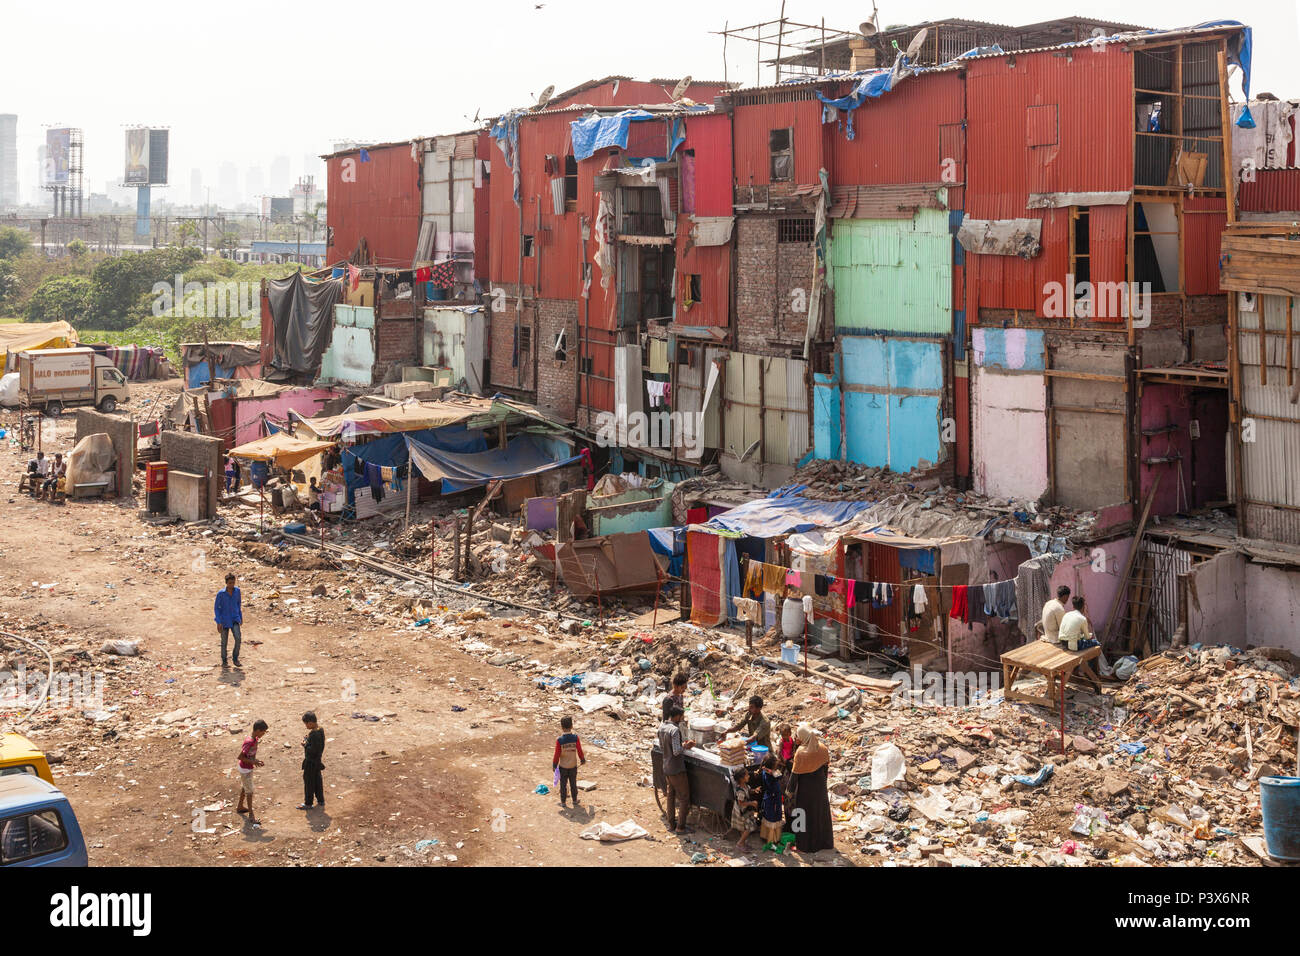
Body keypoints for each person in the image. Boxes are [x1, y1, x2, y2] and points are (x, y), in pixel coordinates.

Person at [789, 723, 834, 853]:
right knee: (820, 813)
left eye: (797, 736)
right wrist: (823, 785)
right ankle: (824, 842)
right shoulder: (822, 748)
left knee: (802, 815)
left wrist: (789, 792)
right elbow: (825, 768)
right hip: (819, 786)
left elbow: (795, 774)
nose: (796, 738)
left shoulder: (801, 752)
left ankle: (803, 845)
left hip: (805, 789)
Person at [658, 704, 696, 833]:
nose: (682, 719)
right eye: (682, 716)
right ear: (678, 716)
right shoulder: (674, 730)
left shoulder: (662, 727)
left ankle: (671, 824)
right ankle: (680, 827)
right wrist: (687, 745)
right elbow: (676, 751)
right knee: (684, 798)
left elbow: (663, 747)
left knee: (670, 796)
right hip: (676, 768)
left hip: (666, 766)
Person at [235, 719, 268, 825]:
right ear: (258, 730)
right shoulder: (249, 741)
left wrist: (256, 761)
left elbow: (250, 755)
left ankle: (240, 806)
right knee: (249, 792)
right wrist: (253, 762)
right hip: (245, 769)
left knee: (245, 787)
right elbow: (240, 757)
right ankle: (251, 815)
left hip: (247, 768)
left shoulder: (255, 739)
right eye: (263, 732)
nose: (263, 734)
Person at [553, 715, 586, 808]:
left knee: (563, 785)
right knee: (573, 783)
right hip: (573, 765)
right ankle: (575, 800)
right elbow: (579, 750)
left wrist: (554, 765)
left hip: (563, 766)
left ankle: (563, 802)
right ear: (572, 726)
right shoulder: (575, 738)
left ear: (562, 727)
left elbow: (557, 754)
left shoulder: (559, 740)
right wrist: (582, 759)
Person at [214, 573, 243, 668]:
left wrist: (240, 617)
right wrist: (218, 622)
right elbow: (216, 608)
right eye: (230, 583)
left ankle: (235, 658)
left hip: (235, 618)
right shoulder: (221, 594)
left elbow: (238, 604)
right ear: (226, 583)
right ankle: (224, 661)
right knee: (224, 642)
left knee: (238, 638)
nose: (231, 585)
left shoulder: (237, 591)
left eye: (233, 583)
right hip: (224, 620)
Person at [298, 712, 325, 810]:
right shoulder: (320, 730)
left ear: (310, 723)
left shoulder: (314, 734)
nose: (306, 726)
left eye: (306, 724)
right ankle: (320, 800)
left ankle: (308, 803)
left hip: (311, 762)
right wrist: (307, 740)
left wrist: (305, 744)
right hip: (318, 761)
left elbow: (312, 749)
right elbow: (319, 746)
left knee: (309, 782)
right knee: (318, 781)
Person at [729, 766, 759, 850]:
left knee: (745, 827)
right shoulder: (740, 791)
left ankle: (743, 842)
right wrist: (752, 803)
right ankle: (740, 843)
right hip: (741, 811)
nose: (749, 776)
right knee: (749, 828)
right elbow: (740, 803)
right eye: (747, 775)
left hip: (745, 811)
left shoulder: (745, 786)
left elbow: (748, 791)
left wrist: (754, 790)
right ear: (742, 779)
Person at [757, 756, 784, 846]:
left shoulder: (765, 772)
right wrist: (773, 773)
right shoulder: (771, 775)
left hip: (768, 798)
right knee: (774, 817)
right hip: (773, 799)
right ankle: (772, 838)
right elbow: (780, 776)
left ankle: (766, 836)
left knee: (768, 816)